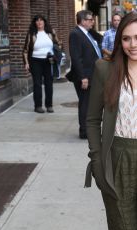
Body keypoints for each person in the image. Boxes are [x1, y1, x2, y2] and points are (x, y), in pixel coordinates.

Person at [85, 11, 137, 230]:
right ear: (119, 40)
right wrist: (97, 163)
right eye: (126, 38)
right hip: (118, 158)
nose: (133, 44)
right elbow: (93, 119)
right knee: (122, 224)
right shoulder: (105, 69)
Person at [69, 10, 102, 139]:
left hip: (92, 74)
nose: (93, 22)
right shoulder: (75, 34)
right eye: (90, 20)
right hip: (85, 76)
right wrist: (83, 77)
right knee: (85, 104)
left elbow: (101, 39)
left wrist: (91, 29)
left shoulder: (87, 33)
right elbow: (76, 58)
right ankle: (84, 132)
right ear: (83, 21)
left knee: (90, 104)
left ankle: (89, 129)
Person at [23, 14, 59, 113]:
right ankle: (38, 106)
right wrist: (26, 63)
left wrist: (55, 54)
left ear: (44, 22)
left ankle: (49, 105)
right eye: (37, 20)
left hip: (48, 61)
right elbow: (25, 50)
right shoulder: (31, 34)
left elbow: (58, 44)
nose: (39, 22)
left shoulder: (51, 33)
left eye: (41, 20)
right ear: (35, 23)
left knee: (49, 84)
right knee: (37, 84)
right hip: (35, 61)